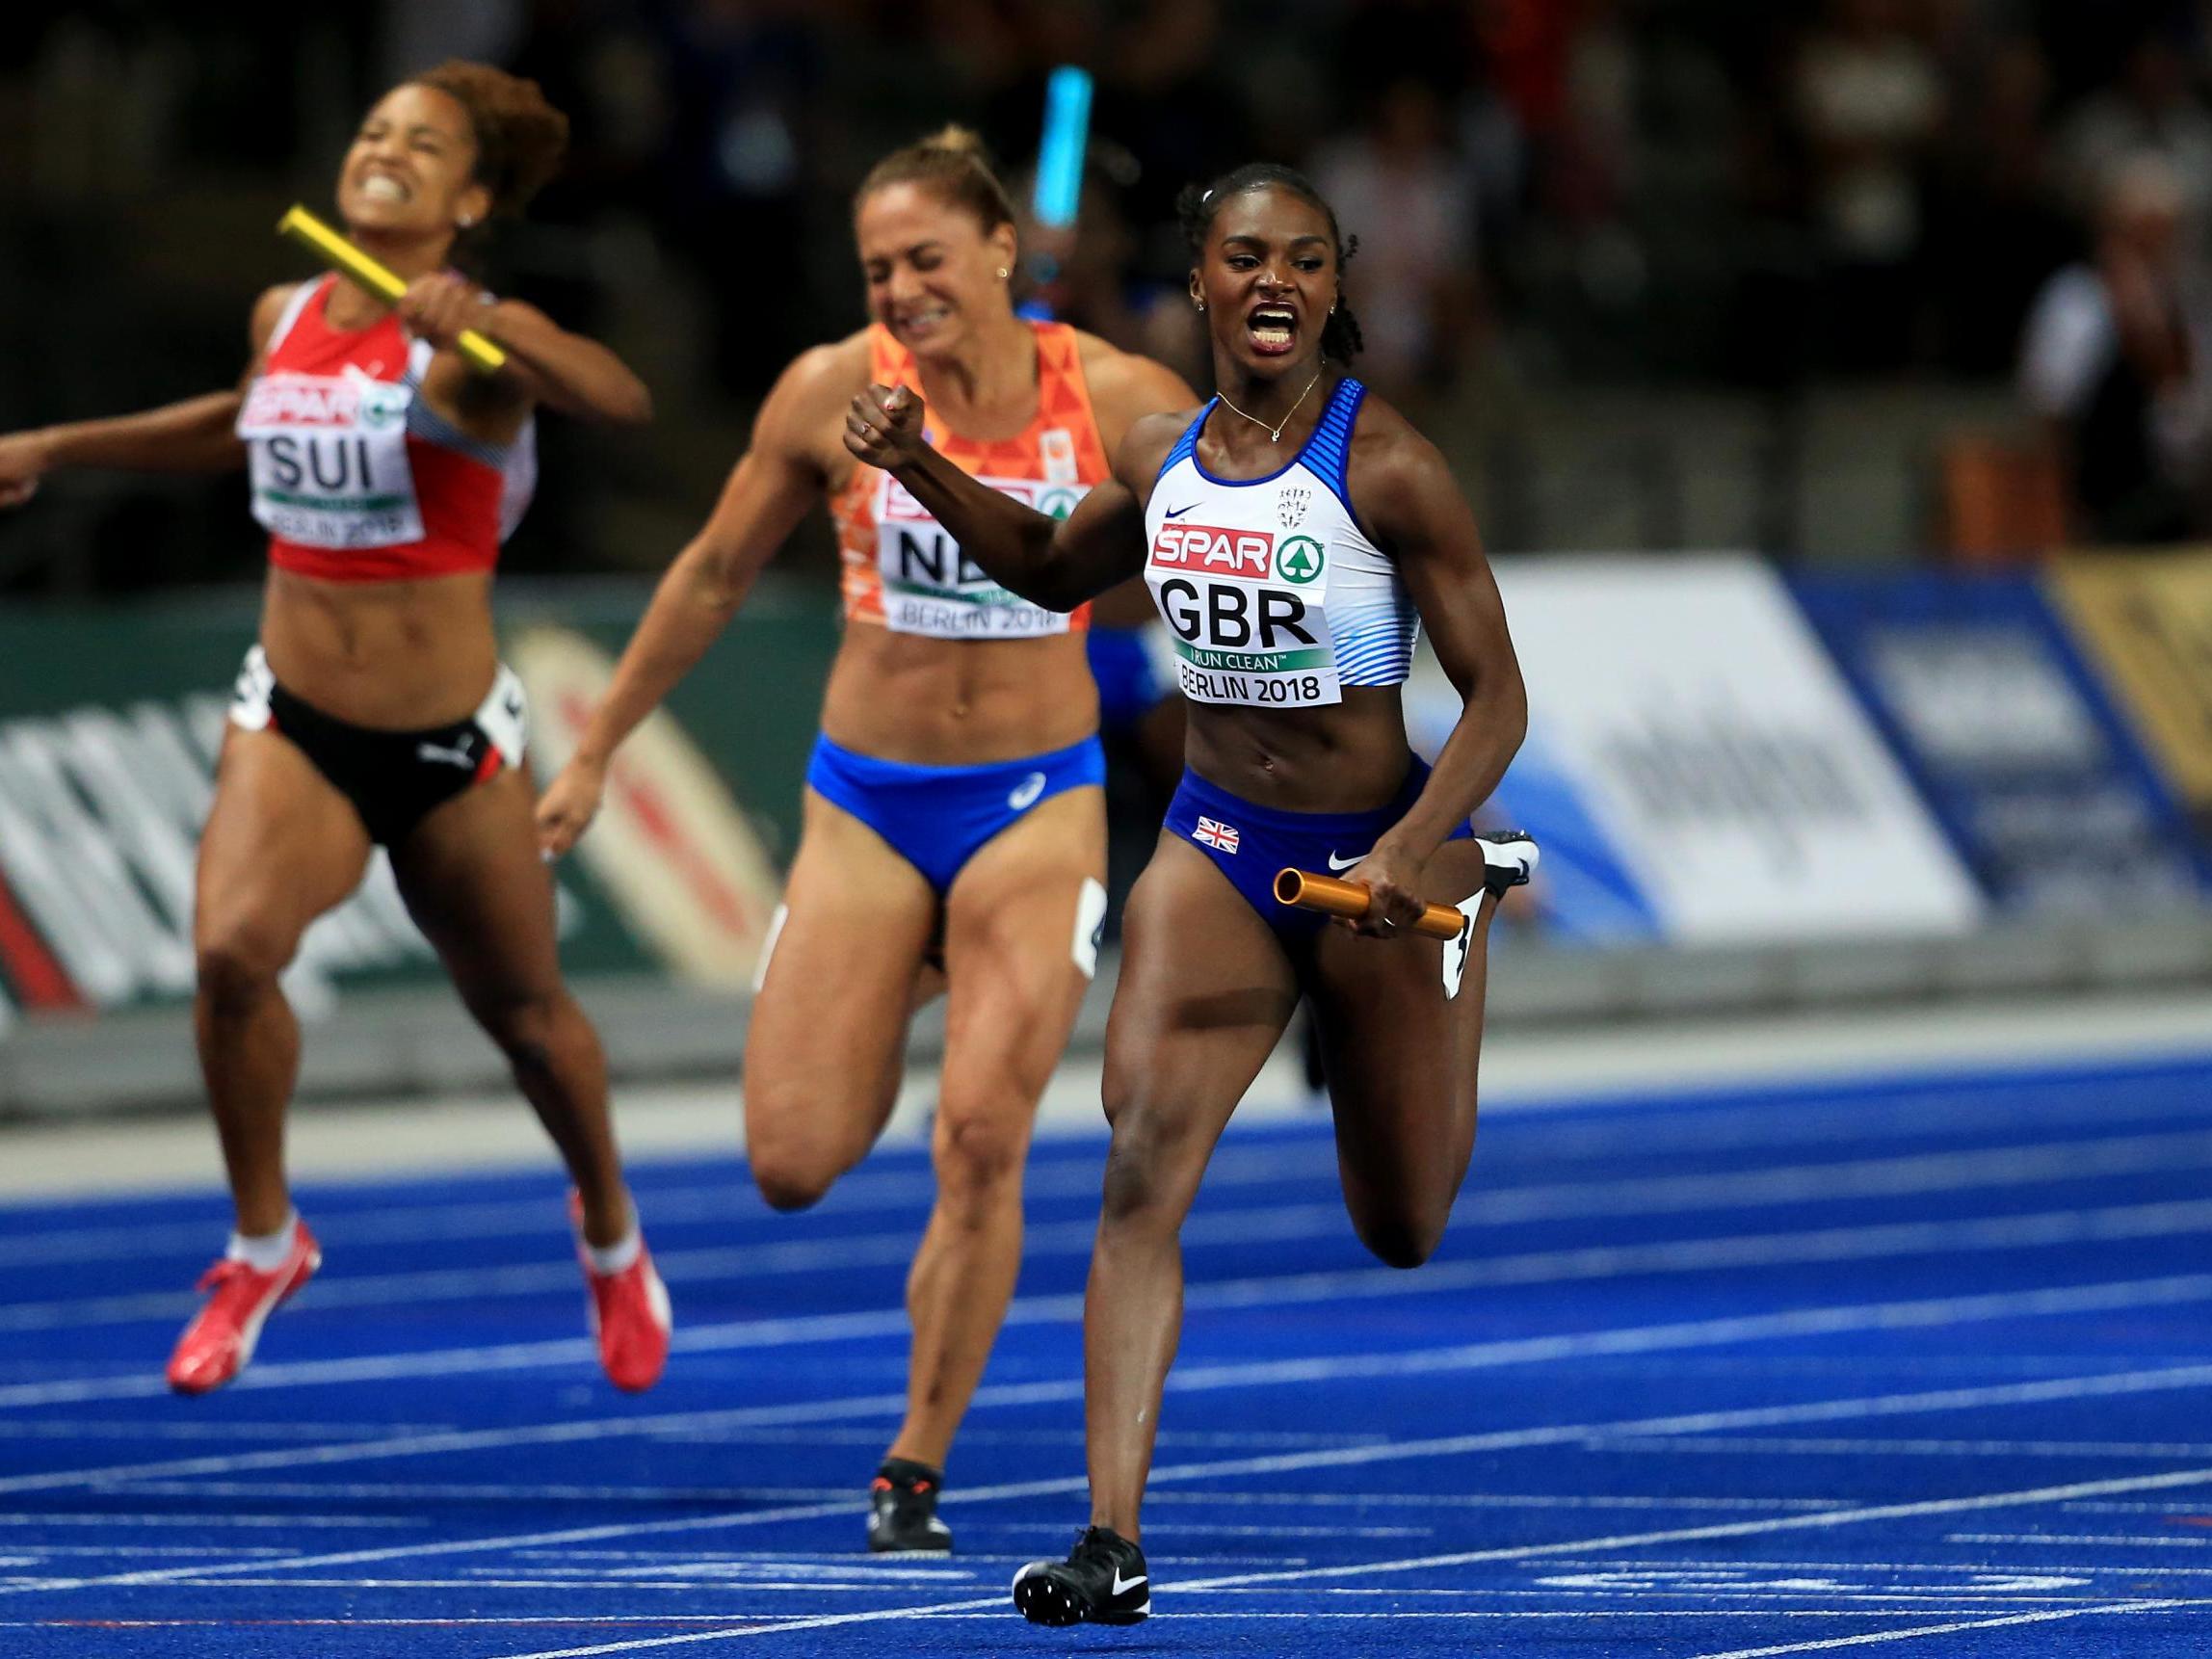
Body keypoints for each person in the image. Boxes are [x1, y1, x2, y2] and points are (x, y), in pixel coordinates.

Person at [844, 161, 1536, 1624]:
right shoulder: (1161, 455)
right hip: (1215, 851)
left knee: (1400, 1224)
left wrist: (1416, 852)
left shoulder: (1389, 465)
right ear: (1204, 284)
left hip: (1377, 865)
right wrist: (915, 464)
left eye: (1299, 258)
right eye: (1241, 258)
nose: (1271, 280)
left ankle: (1467, 916)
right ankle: (1113, 1538)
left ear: (1335, 283)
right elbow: (1040, 567)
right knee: (1139, 1167)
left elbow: (1497, 703)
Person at [534, 127, 1197, 1553]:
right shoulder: (833, 389)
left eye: (926, 260)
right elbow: (714, 572)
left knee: (980, 1133)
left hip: (1035, 806)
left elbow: (1243, 555)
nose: (899, 289)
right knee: (792, 1157)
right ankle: (921, 963)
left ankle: (915, 1459)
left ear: (1003, 252)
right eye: (877, 268)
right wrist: (594, 749)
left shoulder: (1125, 393)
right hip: (869, 805)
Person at [0, 62, 672, 1398]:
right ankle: (264, 1239)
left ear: (469, 197)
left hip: (449, 746)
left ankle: (609, 1231)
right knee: (232, 955)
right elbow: (239, 429)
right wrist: (62, 443)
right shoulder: (285, 305)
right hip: (295, 717)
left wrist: (494, 325)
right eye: (375, 130)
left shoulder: (475, 351)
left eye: (424, 146)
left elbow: (618, 400)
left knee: (531, 1021)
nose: (387, 151)